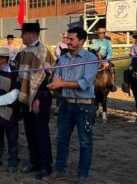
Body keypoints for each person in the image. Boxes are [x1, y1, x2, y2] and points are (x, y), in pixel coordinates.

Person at [46, 27, 98, 184]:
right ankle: (59, 171)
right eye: (67, 39)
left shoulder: (91, 58)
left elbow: (85, 83)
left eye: (71, 39)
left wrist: (62, 83)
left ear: (81, 41)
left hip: (84, 107)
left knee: (85, 142)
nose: (67, 41)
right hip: (65, 105)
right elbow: (57, 77)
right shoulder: (62, 59)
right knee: (61, 139)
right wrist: (54, 82)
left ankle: (82, 176)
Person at [14, 23, 55, 180]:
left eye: (23, 34)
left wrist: (37, 97)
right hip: (25, 99)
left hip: (40, 99)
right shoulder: (23, 51)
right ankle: (34, 162)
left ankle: (46, 166)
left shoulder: (43, 51)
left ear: (31, 34)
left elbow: (49, 76)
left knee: (41, 132)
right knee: (30, 132)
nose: (21, 37)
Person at [90, 27, 116, 92]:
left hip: (105, 58)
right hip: (96, 59)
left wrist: (106, 60)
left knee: (111, 68)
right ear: (98, 34)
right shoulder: (95, 42)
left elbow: (110, 51)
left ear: (104, 34)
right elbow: (92, 49)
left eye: (102, 33)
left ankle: (112, 84)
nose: (101, 35)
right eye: (99, 34)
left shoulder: (108, 42)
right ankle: (88, 83)